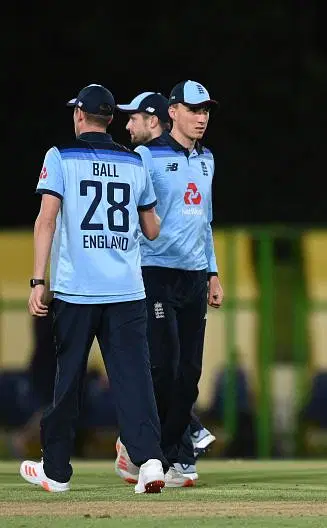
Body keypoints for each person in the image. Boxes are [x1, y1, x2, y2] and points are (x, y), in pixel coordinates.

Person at [21, 84, 166, 494]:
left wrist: (38, 280)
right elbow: (152, 230)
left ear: (80, 116)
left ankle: (56, 470)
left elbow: (46, 221)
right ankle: (151, 462)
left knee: (67, 381)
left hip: (77, 290)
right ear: (112, 119)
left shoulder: (60, 157)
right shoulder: (136, 161)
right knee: (134, 380)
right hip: (126, 290)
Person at [113, 80, 223, 488]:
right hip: (154, 272)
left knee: (190, 373)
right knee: (165, 364)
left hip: (194, 277)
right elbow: (131, 216)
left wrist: (212, 273)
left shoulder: (208, 158)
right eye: (194, 110)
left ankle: (171, 455)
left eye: (206, 111)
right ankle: (148, 453)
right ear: (172, 112)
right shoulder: (146, 155)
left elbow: (205, 222)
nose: (201, 118)